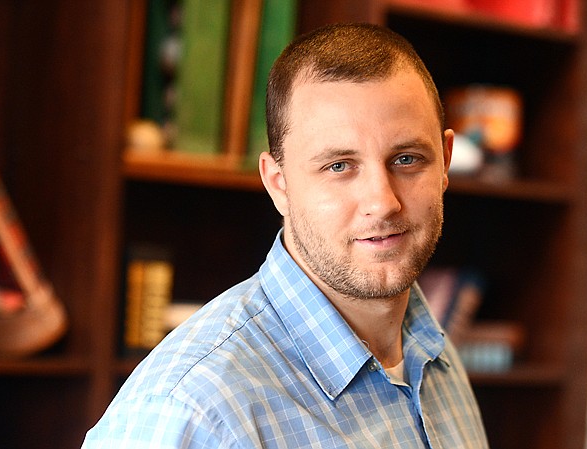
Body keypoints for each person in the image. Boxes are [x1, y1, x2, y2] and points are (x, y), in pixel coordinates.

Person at [82, 23, 489, 448]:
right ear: (278, 184)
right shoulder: (191, 410)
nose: (382, 202)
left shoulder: (433, 355)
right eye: (339, 166)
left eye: (407, 159)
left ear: (444, 162)